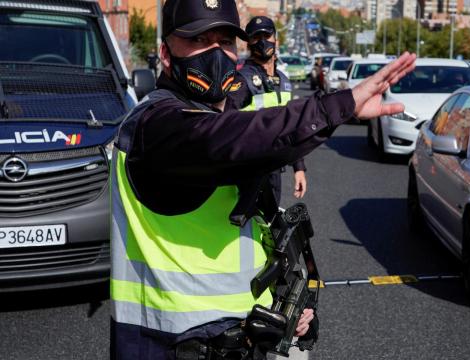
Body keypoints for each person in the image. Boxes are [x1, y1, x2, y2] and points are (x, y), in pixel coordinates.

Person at [109, 0, 416, 358]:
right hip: (167, 348)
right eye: (198, 40)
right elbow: (224, 139)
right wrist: (336, 107)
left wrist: (288, 305)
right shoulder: (156, 125)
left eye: (224, 41)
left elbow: (250, 240)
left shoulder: (221, 116)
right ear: (165, 54)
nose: (215, 53)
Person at [227, 16, 306, 204]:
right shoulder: (242, 80)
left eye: (266, 35)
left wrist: (299, 167)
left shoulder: (284, 81)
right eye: (256, 37)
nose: (262, 41)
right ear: (248, 43)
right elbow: (224, 122)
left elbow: (292, 126)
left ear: (275, 39)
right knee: (250, 226)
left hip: (274, 170)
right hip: (250, 170)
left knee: (267, 226)